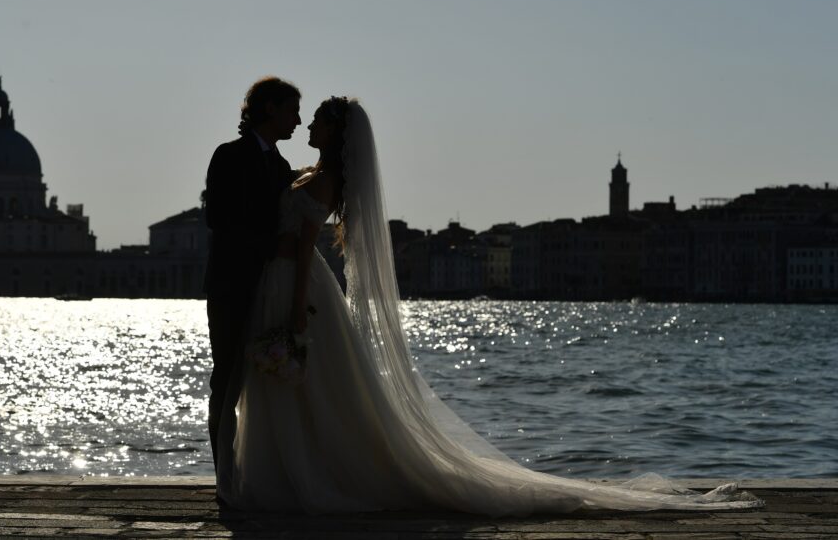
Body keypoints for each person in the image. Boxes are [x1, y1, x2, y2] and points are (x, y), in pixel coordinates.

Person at [215, 96, 763, 516]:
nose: (307, 126)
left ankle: (301, 477)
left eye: (316, 121)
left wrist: (293, 305)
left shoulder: (327, 178)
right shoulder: (307, 172)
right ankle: (289, 474)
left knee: (307, 385)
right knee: (301, 388)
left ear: (334, 131)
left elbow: (305, 246)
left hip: (298, 287)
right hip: (280, 282)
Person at [203, 76, 300, 481]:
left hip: (269, 289)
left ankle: (260, 472)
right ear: (270, 109)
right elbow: (219, 219)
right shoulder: (228, 156)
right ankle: (225, 474)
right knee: (226, 380)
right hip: (231, 285)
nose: (297, 120)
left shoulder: (281, 167)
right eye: (292, 110)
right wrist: (270, 248)